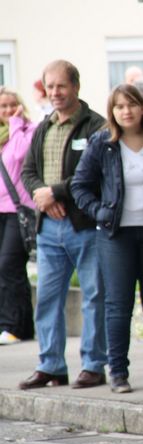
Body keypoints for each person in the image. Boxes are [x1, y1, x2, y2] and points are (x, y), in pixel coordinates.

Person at [71, 84, 143, 393]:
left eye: (132, 105)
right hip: (115, 235)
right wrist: (100, 212)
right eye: (119, 107)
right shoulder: (103, 143)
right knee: (118, 306)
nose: (126, 111)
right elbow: (79, 186)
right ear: (112, 112)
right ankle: (118, 373)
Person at [19, 60, 107, 389]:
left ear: (76, 87)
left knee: (93, 297)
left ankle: (93, 365)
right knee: (47, 299)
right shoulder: (44, 127)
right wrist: (42, 196)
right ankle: (51, 365)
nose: (55, 92)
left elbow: (94, 173)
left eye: (61, 86)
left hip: (84, 225)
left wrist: (54, 193)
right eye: (50, 86)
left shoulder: (96, 126)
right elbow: (28, 172)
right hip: (49, 228)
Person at [0, 88, 37, 345]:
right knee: (5, 269)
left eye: (13, 105)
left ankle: (14, 326)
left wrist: (15, 123)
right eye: (3, 106)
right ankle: (15, 325)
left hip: (18, 210)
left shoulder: (28, 131)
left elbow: (19, 155)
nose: (8, 110)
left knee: (9, 266)